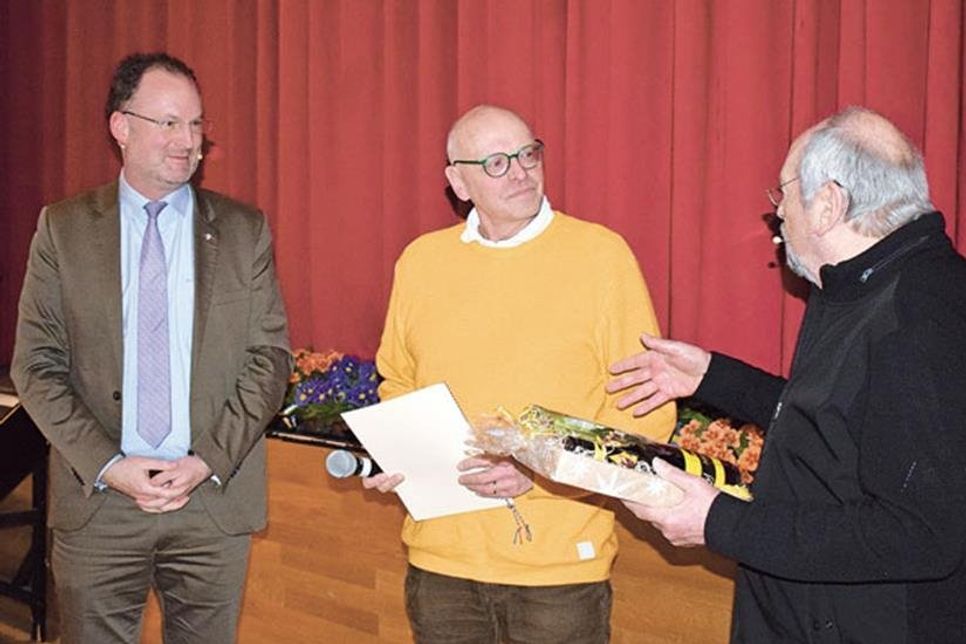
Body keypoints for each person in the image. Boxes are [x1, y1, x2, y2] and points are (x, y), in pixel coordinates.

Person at [607, 106, 966, 642]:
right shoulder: (858, 285)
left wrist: (718, 522)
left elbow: (920, 534)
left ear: (827, 204)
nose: (778, 216)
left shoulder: (922, 315)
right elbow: (836, 424)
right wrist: (713, 378)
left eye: (783, 195)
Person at [365, 104, 676, 643]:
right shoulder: (421, 262)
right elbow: (397, 381)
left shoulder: (601, 256)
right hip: (442, 562)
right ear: (458, 182)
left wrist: (540, 473)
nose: (520, 171)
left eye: (528, 153)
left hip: (559, 570)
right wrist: (397, 453)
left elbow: (645, 410)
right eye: (495, 162)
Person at [11, 52, 291, 643]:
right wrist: (111, 467)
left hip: (212, 501)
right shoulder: (62, 228)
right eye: (168, 122)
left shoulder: (245, 230)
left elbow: (270, 361)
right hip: (100, 505)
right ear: (121, 126)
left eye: (195, 125)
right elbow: (36, 365)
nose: (187, 141)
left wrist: (206, 461)